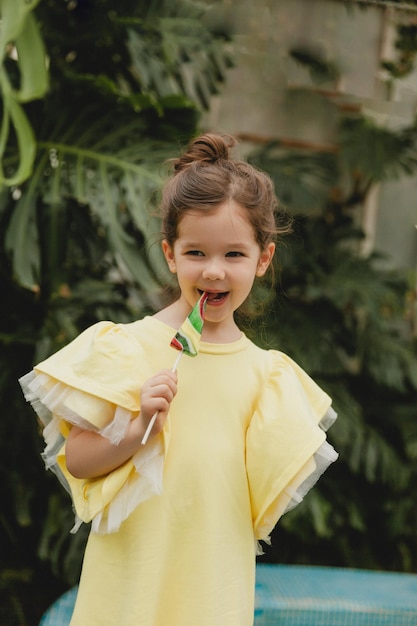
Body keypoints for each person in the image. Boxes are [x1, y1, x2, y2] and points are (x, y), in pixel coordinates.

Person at [20, 133, 338, 626]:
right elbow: (79, 461)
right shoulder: (125, 348)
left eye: (234, 255)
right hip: (130, 584)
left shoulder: (266, 376)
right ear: (170, 254)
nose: (214, 271)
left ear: (264, 259)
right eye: (196, 253)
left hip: (212, 588)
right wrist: (138, 423)